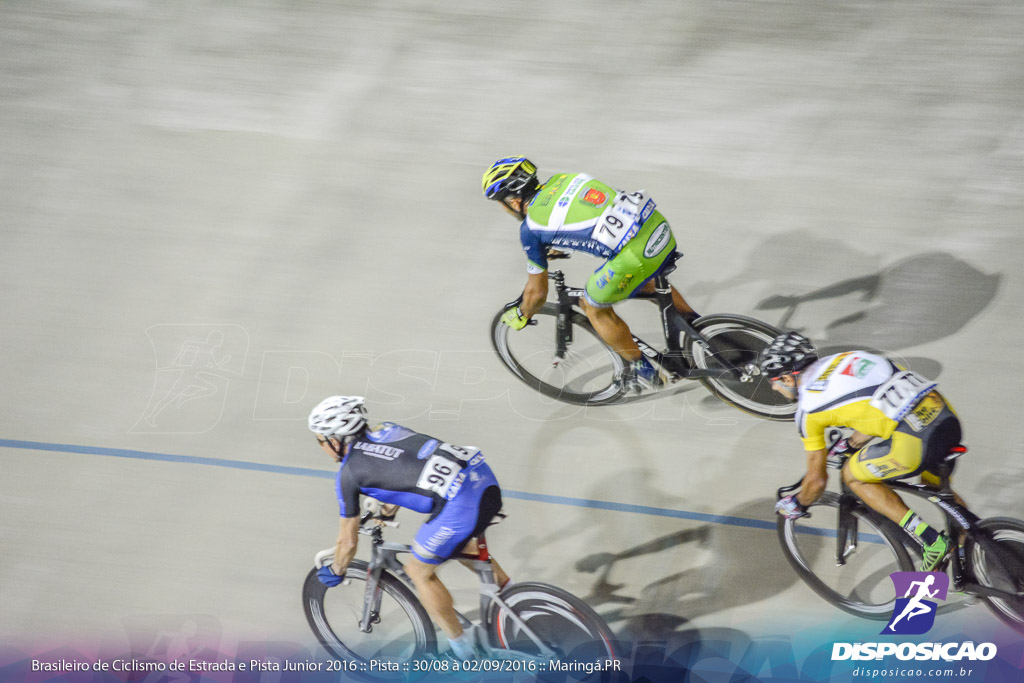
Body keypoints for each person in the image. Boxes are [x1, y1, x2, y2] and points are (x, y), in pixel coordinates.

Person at [307, 395, 509, 660]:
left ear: (334, 440)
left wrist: (336, 570)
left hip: (462, 504)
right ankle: (516, 600)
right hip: (482, 478)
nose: (321, 446)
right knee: (455, 545)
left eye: (320, 440)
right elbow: (407, 465)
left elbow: (347, 543)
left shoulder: (348, 475)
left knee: (418, 570)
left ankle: (464, 649)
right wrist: (387, 511)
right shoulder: (388, 429)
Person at [482, 156, 699, 392]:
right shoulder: (563, 179)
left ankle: (642, 370)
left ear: (513, 202)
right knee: (645, 282)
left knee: (593, 306)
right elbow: (584, 213)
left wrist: (523, 314)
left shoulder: (531, 229)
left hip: (636, 256)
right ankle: (699, 331)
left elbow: (537, 293)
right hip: (658, 228)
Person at [761, 332, 963, 571]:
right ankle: (974, 547)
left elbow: (816, 482)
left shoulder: (807, 410)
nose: (774, 388)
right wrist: (851, 444)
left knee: (853, 476)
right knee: (935, 488)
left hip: (916, 440)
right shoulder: (845, 358)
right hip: (943, 414)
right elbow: (879, 401)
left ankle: (931, 541)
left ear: (788, 377)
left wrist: (798, 503)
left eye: (773, 381)